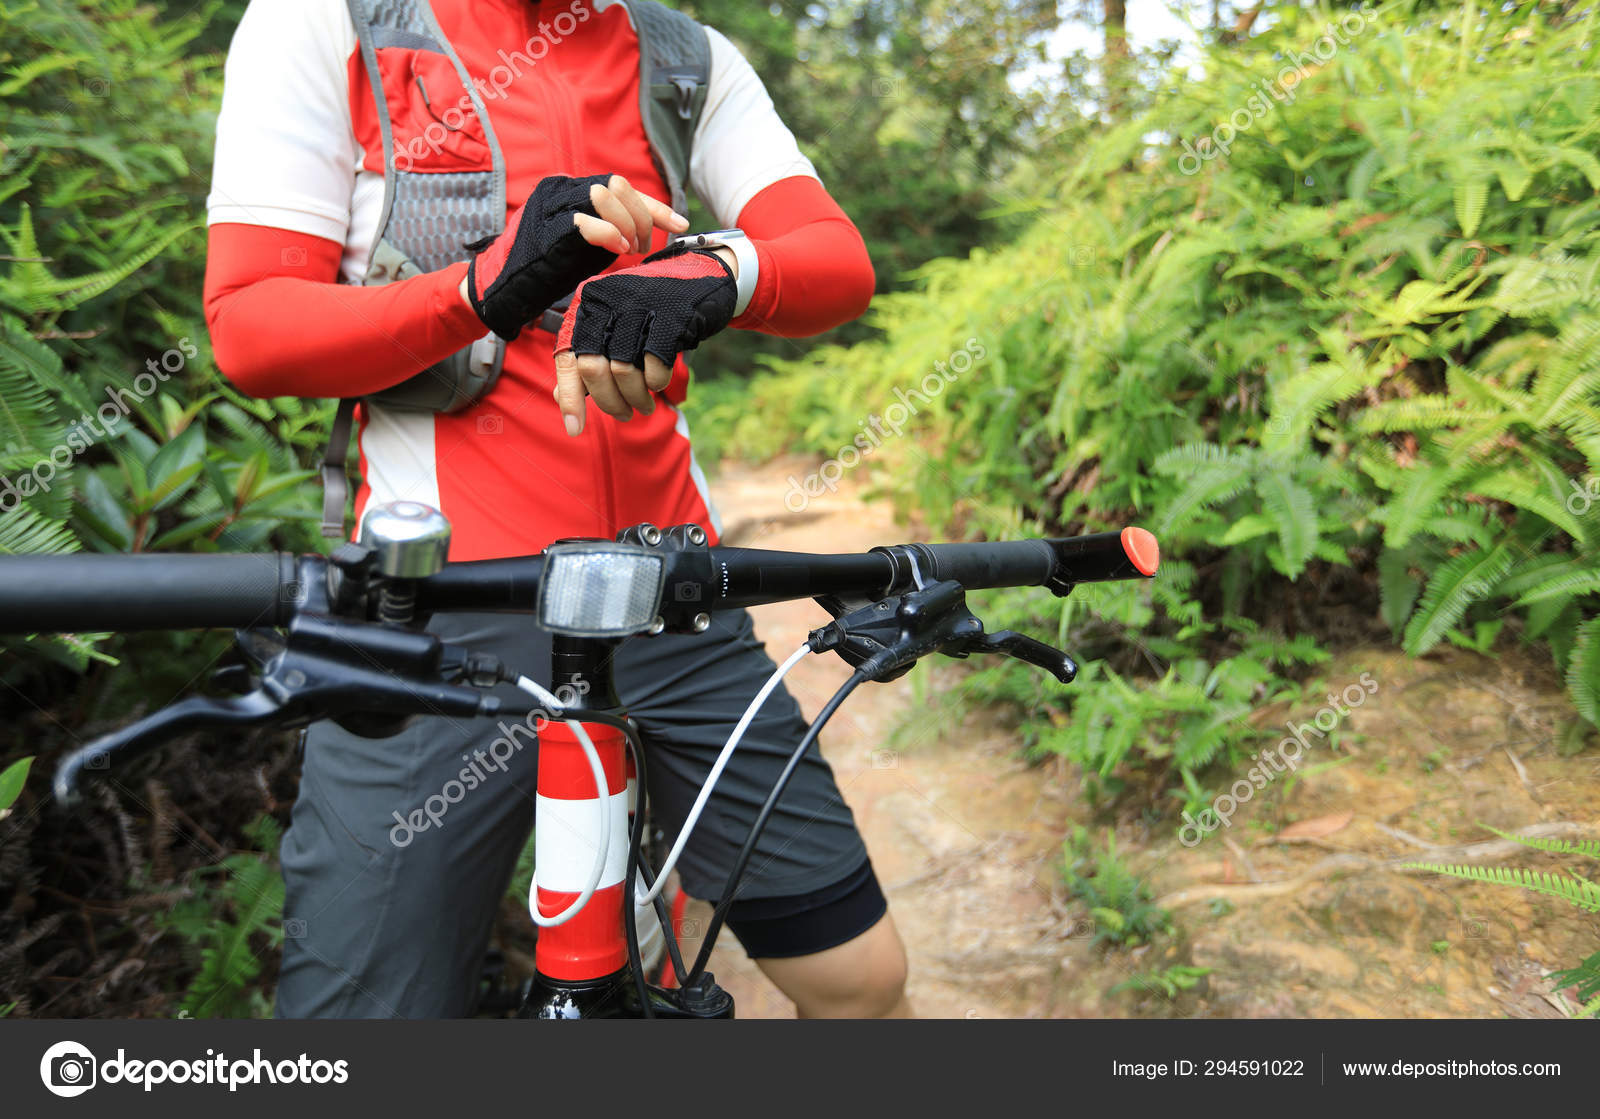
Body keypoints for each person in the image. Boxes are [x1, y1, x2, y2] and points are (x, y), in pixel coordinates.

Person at [202, 0, 907, 1018]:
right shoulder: (326, 24)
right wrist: (481, 289)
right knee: (365, 1026)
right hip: (442, 615)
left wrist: (716, 272)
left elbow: (835, 260)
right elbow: (250, 326)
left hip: (672, 596)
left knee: (860, 981)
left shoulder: (685, 58)